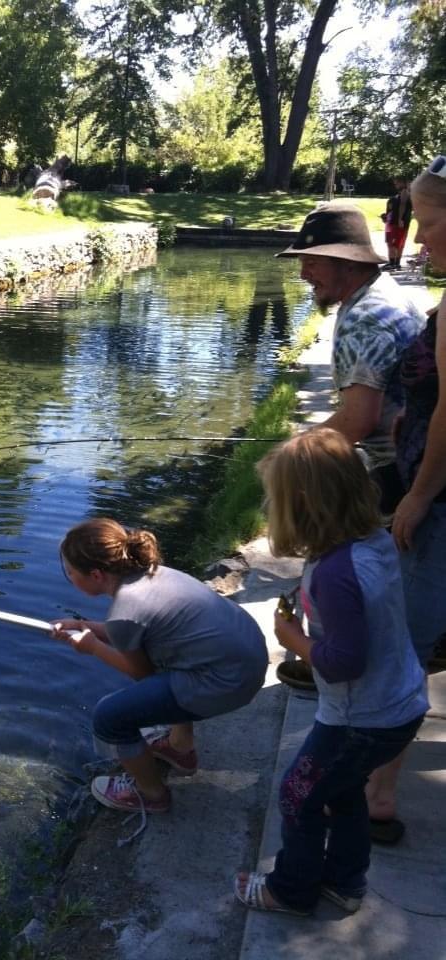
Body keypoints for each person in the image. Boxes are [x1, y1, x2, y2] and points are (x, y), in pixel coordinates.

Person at [234, 428, 427, 917]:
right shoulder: (372, 542)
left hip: (360, 717)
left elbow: (344, 660)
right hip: (397, 704)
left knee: (297, 797)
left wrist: (292, 641)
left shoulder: (335, 574)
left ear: (301, 504)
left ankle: (290, 890)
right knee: (341, 792)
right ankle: (345, 883)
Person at [273, 203, 425, 705]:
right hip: (411, 459)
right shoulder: (385, 296)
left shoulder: (364, 318)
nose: (303, 272)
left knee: (343, 566)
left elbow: (358, 421)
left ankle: (343, 669)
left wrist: (290, 456)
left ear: (347, 262)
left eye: (313, 261)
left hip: (395, 473)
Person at [52, 518, 268, 819]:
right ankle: (180, 748)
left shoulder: (124, 610)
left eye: (71, 572)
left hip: (227, 683)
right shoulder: (153, 573)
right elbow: (128, 631)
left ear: (96, 574)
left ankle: (151, 794)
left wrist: (93, 647)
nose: (70, 577)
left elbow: (142, 673)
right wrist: (82, 625)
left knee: (110, 718)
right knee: (167, 653)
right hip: (248, 659)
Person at [364, 154, 446, 842]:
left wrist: (418, 493)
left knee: (405, 644)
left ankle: (378, 791)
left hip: (439, 504)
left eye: (424, 220)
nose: (416, 239)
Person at [382, 176, 413, 270]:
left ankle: (393, 263)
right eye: (395, 183)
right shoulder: (400, 194)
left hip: (397, 223)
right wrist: (386, 217)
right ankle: (395, 263)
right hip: (392, 222)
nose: (396, 184)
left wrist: (400, 219)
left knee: (394, 243)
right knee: (394, 243)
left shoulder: (405, 192)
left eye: (397, 182)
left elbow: (403, 205)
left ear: (404, 182)